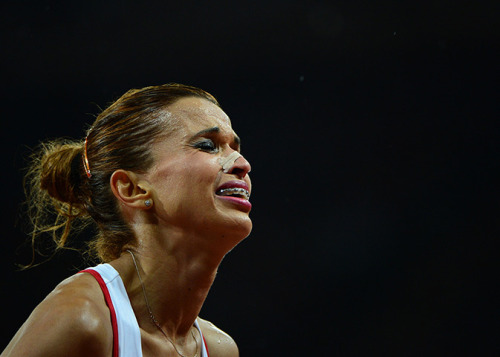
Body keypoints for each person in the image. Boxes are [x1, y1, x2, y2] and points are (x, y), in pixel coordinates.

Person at [1, 83, 252, 357]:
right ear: (131, 189)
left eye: (234, 147)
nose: (241, 164)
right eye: (208, 145)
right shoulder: (82, 318)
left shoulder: (220, 349)